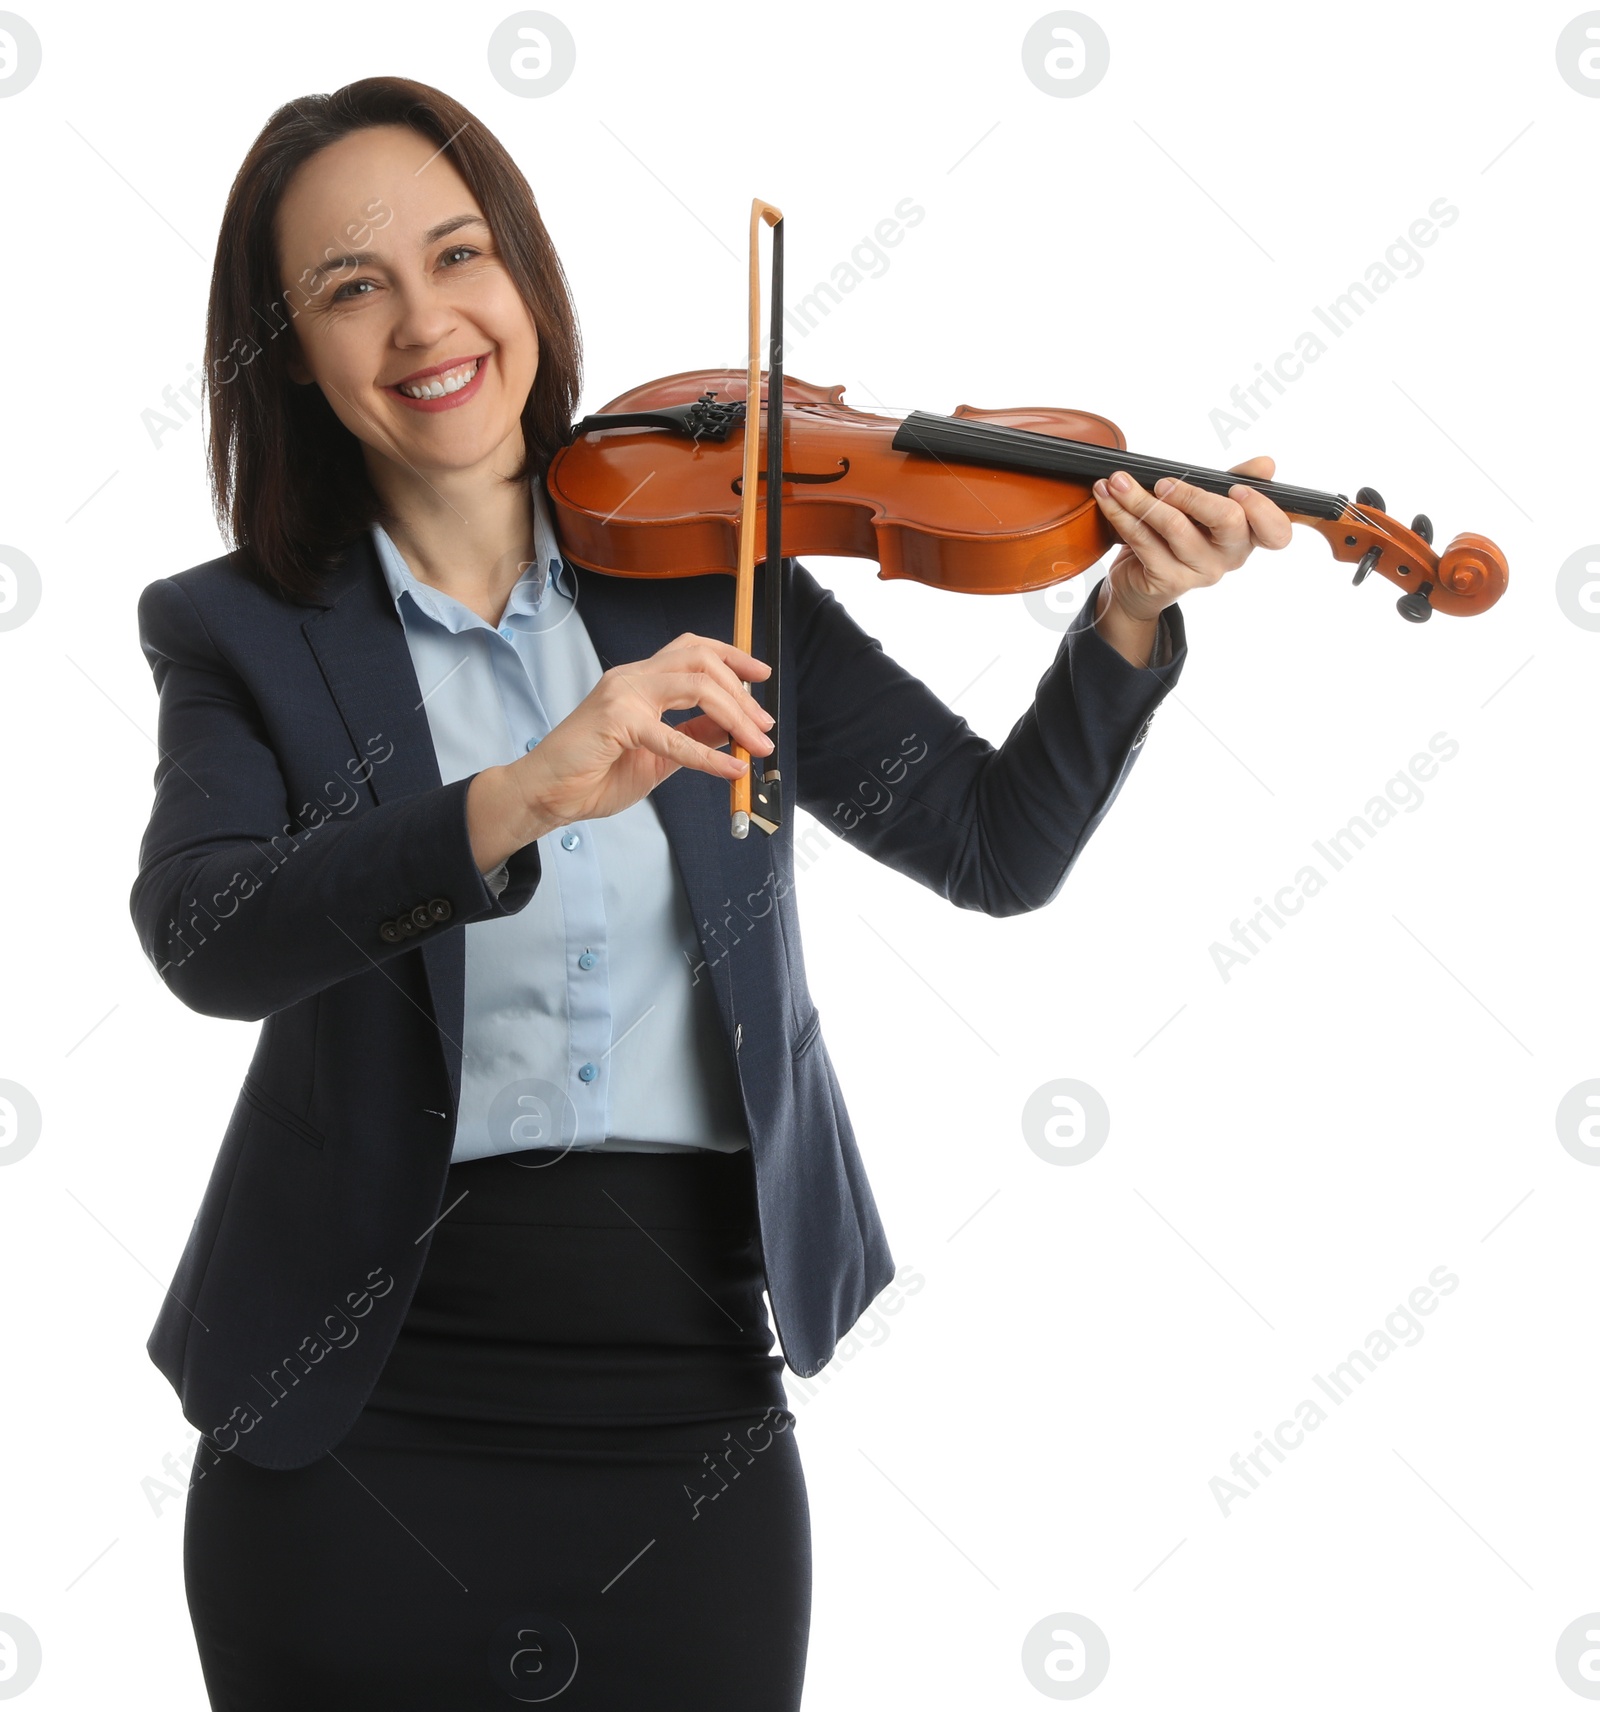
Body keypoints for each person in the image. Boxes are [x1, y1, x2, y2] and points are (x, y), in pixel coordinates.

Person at [130, 75, 1291, 1712]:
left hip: (686, 1408)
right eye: (349, 288)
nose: (424, 322)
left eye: (461, 256)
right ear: (293, 357)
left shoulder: (709, 558)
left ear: (527, 278)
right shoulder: (237, 629)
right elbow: (207, 937)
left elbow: (990, 845)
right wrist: (522, 790)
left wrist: (1126, 626)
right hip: (352, 1425)